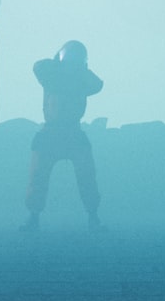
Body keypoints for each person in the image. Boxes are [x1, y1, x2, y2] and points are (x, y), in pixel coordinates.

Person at [20, 40, 105, 232]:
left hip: (72, 132)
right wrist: (66, 67)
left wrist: (79, 70)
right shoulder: (52, 75)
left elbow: (98, 85)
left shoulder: (74, 78)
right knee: (38, 175)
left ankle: (93, 216)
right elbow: (38, 67)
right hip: (51, 132)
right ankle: (33, 216)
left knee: (87, 175)